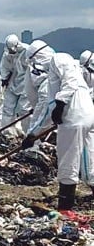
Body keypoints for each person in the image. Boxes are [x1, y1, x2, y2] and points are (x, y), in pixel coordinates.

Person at [21, 46, 94, 211]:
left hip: (73, 119)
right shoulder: (53, 79)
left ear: (38, 56)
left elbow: (70, 83)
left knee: (68, 162)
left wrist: (61, 102)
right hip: (87, 116)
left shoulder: (59, 58)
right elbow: (49, 113)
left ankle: (65, 209)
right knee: (88, 162)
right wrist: (33, 135)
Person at [0, 34, 31, 137]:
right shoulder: (7, 54)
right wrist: (4, 78)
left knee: (24, 110)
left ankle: (29, 133)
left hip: (26, 83)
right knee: (7, 108)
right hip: (13, 82)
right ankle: (7, 132)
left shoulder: (27, 51)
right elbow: (4, 67)